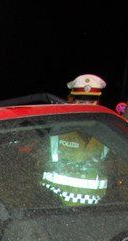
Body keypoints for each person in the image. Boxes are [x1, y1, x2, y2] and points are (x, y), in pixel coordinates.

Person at [41, 74, 109, 206]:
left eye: (92, 102)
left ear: (98, 102)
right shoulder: (55, 129)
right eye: (81, 102)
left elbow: (111, 172)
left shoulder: (106, 134)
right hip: (53, 207)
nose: (87, 107)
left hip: (94, 210)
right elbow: (36, 165)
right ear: (71, 101)